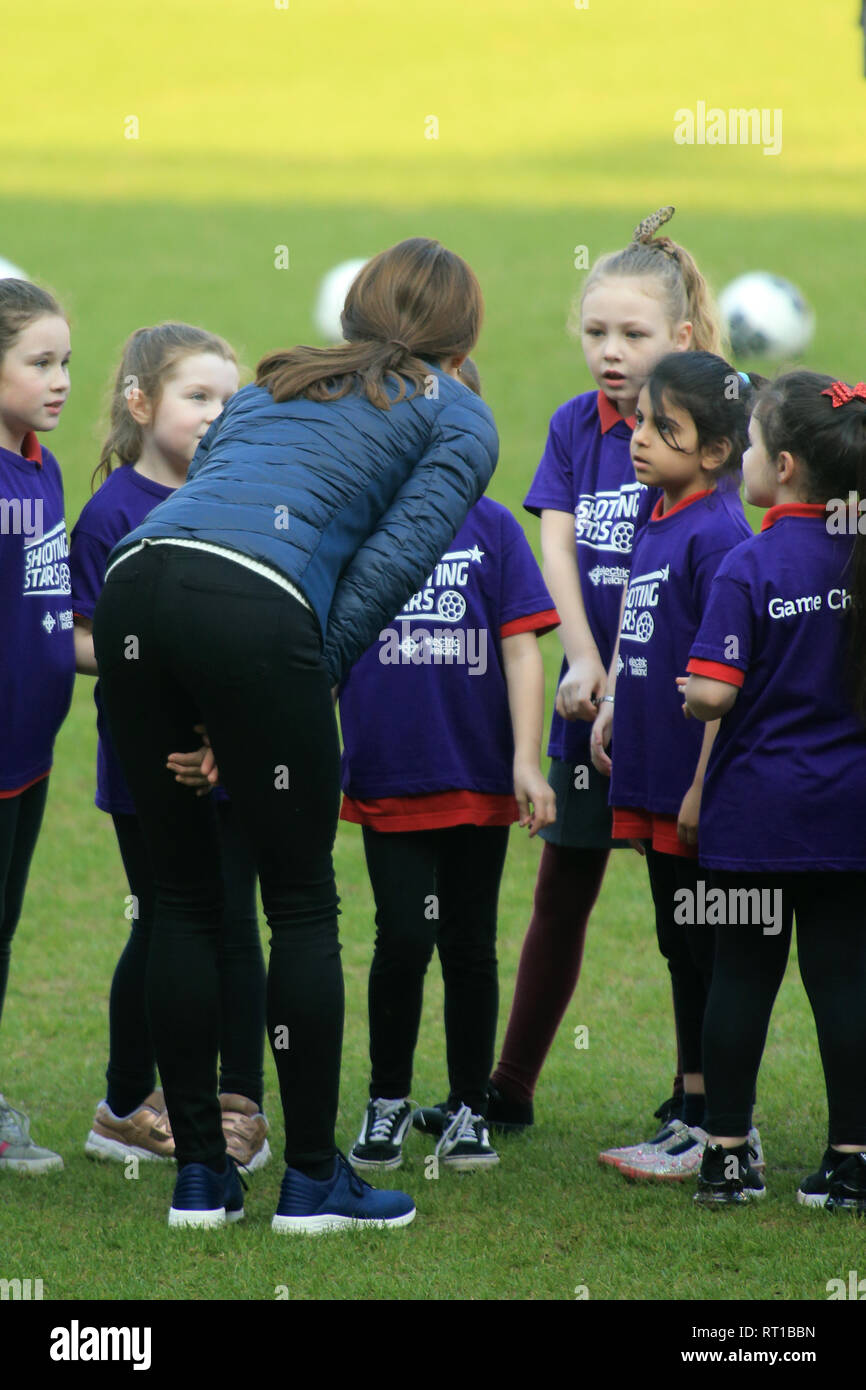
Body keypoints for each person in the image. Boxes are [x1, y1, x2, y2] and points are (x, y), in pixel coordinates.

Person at [91, 237, 499, 1230]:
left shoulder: (275, 377)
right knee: (303, 908)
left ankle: (199, 1179)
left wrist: (231, 707)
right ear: (464, 334)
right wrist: (286, 692)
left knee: (181, 900)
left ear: (356, 311)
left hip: (137, 587)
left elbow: (199, 530)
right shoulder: (460, 414)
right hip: (257, 613)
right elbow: (385, 572)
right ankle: (313, 1181)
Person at [487, 206, 722, 1137]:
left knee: (687, 904)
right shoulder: (572, 427)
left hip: (677, 705)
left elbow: (707, 567)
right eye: (595, 333)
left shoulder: (705, 427)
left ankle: (698, 1092)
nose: (610, 353)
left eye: (633, 334)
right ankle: (510, 1083)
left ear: (683, 337)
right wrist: (584, 657)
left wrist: (630, 674)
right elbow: (557, 541)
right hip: (593, 700)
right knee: (562, 886)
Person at [338, 356, 558, 1175]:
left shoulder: (493, 527)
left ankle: (468, 1107)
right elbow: (313, 646)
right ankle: (387, 1099)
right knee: (401, 940)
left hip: (477, 779)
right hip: (390, 775)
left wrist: (526, 763)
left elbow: (524, 652)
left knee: (470, 946)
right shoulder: (355, 521)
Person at [70, 323, 270, 1171]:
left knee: (238, 924)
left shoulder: (249, 496)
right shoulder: (112, 512)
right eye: (198, 396)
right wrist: (162, 660)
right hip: (150, 766)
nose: (217, 414)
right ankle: (123, 1103)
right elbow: (79, 639)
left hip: (240, 758)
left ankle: (238, 1103)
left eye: (231, 399)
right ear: (141, 403)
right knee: (161, 923)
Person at [682, 371, 866, 1209]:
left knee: (742, 975)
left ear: (784, 467)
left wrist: (687, 689)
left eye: (751, 446)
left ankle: (723, 1154)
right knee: (845, 979)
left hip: (753, 820)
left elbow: (713, 693)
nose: (746, 460)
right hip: (850, 818)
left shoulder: (748, 562)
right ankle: (852, 1158)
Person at [590, 351, 755, 1180]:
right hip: (652, 782)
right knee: (676, 943)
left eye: (666, 428)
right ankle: (690, 1110)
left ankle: (726, 1122)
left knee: (711, 951)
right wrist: (619, 698)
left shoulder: (719, 533)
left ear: (718, 451)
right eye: (641, 422)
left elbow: (726, 682)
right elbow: (648, 637)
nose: (640, 438)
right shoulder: (660, 516)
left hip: (695, 793)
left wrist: (698, 785)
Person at [0, 279, 73, 1172]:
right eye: (39, 362)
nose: (60, 381)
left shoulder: (41, 464)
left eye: (66, 362)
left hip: (29, 751)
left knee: (5, 930)